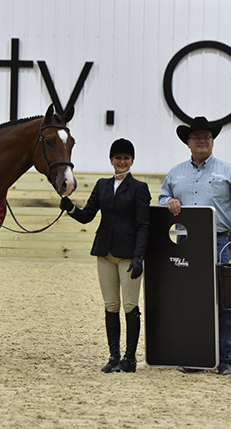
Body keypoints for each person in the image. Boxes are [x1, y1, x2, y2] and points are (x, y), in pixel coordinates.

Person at [158, 116, 231, 375]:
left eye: (206, 137)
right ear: (188, 143)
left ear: (212, 141)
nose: (202, 141)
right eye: (197, 137)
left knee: (221, 302)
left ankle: (224, 359)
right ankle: (194, 355)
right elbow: (161, 198)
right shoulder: (175, 173)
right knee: (189, 301)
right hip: (183, 243)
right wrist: (168, 202)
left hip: (217, 240)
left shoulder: (228, 171)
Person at [60, 138, 151, 373]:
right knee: (111, 305)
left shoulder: (139, 188)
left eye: (126, 158)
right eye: (118, 158)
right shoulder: (101, 185)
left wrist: (139, 256)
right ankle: (114, 356)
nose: (122, 162)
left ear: (132, 161)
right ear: (111, 160)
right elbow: (88, 215)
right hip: (105, 253)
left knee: (130, 306)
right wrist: (70, 208)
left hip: (129, 255)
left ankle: (130, 359)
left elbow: (143, 224)